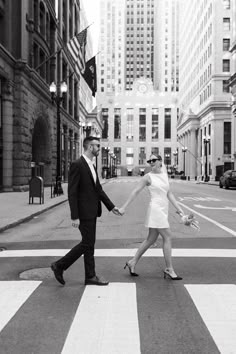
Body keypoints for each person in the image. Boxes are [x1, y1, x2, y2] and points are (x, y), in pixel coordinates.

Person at [51, 136, 121, 286]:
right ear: (89, 147)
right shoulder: (77, 165)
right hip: (83, 213)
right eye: (97, 146)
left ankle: (90, 276)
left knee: (89, 243)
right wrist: (74, 216)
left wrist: (111, 206)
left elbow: (98, 189)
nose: (99, 148)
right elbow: (72, 192)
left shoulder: (91, 165)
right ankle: (60, 265)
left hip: (92, 211)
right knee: (87, 243)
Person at [119, 154, 186, 280]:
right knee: (167, 236)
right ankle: (169, 268)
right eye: (149, 161)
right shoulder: (148, 177)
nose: (151, 162)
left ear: (160, 161)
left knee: (151, 239)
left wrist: (180, 210)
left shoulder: (165, 175)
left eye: (153, 160)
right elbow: (135, 191)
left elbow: (169, 193)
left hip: (163, 209)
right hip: (155, 209)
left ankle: (132, 262)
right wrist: (124, 207)